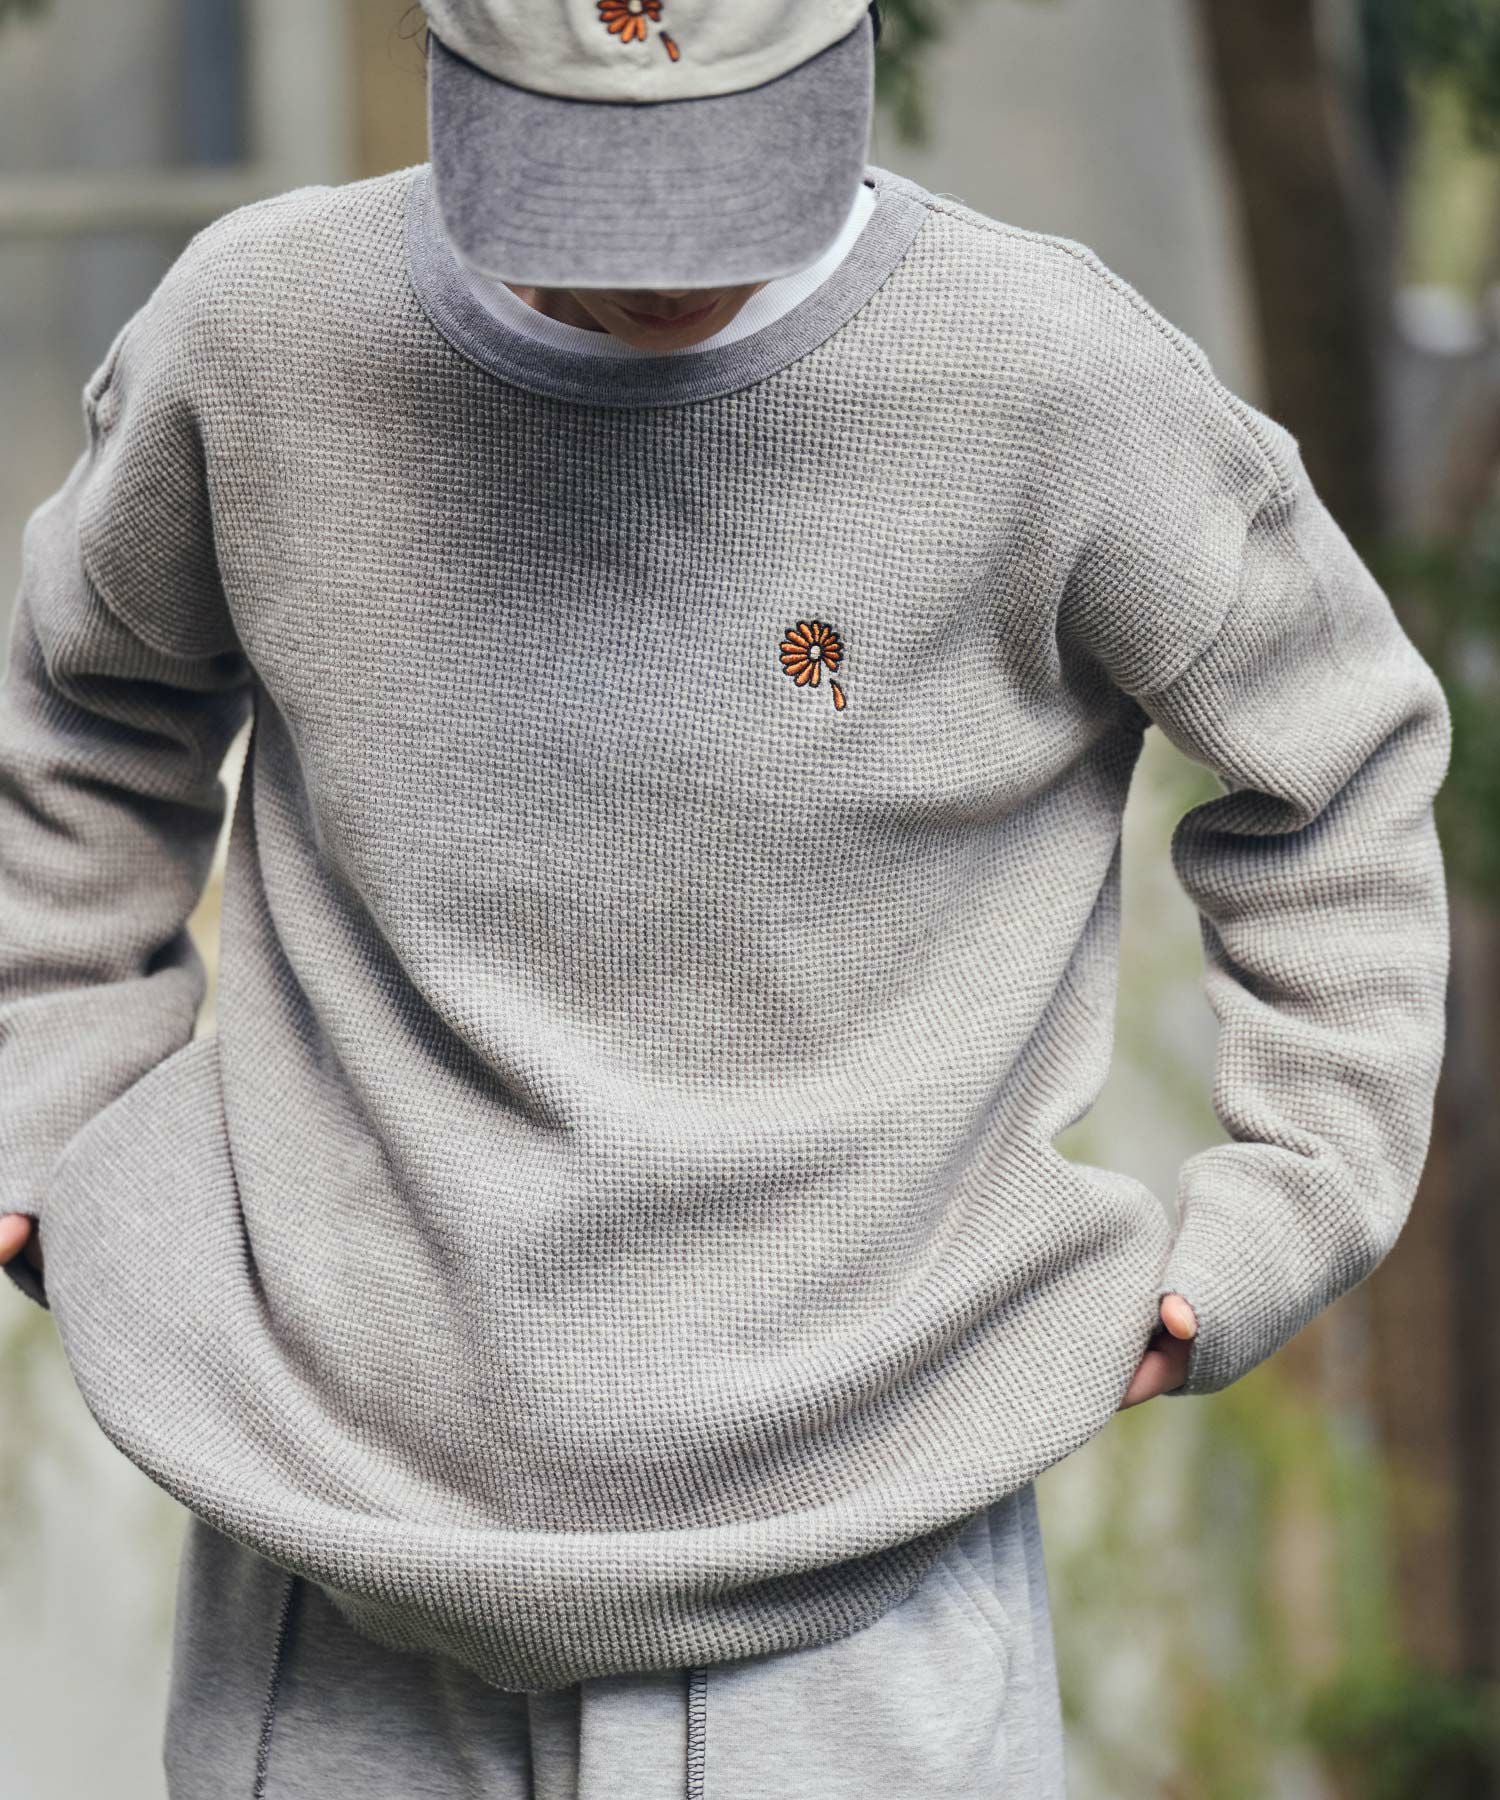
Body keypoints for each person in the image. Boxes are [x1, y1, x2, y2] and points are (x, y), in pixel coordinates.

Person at [0, 0, 1450, 1794]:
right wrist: (51, 1100)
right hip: (330, 1531)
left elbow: (1340, 767)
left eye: (716, 184)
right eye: (589, 195)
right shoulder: (265, 334)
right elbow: (86, 709)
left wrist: (1293, 1201)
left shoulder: (1047, 380)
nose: (659, 270)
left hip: (861, 1554)